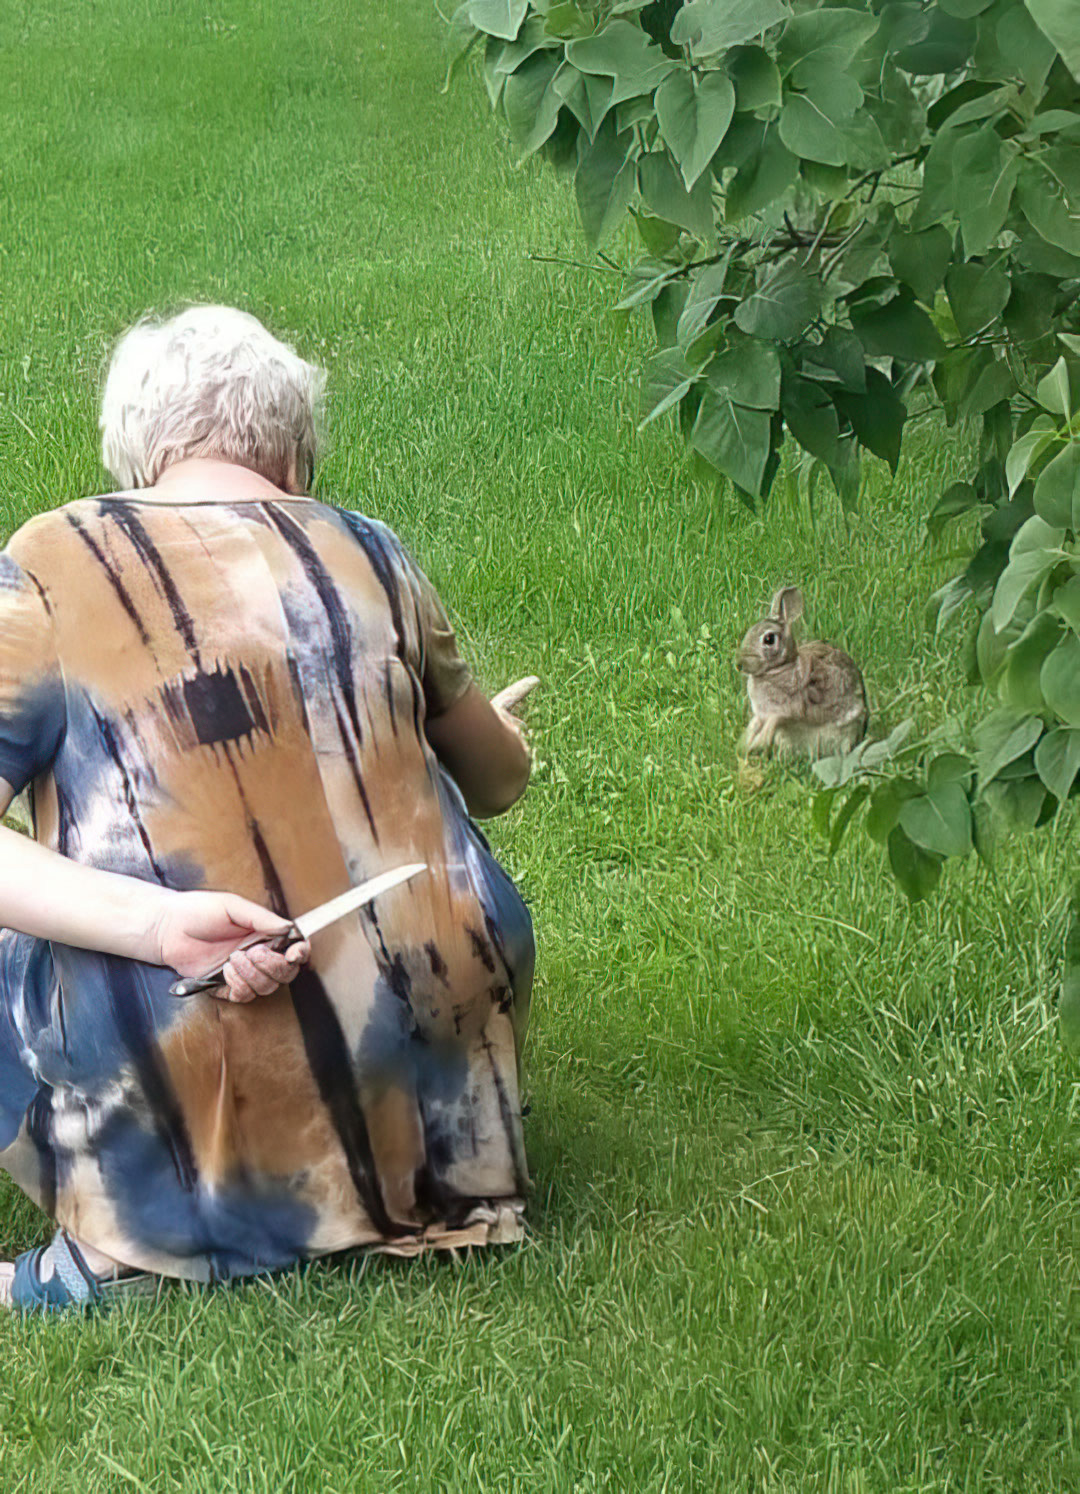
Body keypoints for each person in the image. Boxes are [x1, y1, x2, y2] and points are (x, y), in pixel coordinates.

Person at [0, 306, 535, 1311]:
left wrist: (157, 922)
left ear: (144, 455)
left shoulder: (53, 559)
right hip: (439, 1042)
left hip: (192, 1018)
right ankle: (408, 1191)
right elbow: (499, 781)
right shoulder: (373, 549)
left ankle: (127, 1242)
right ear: (292, 455)